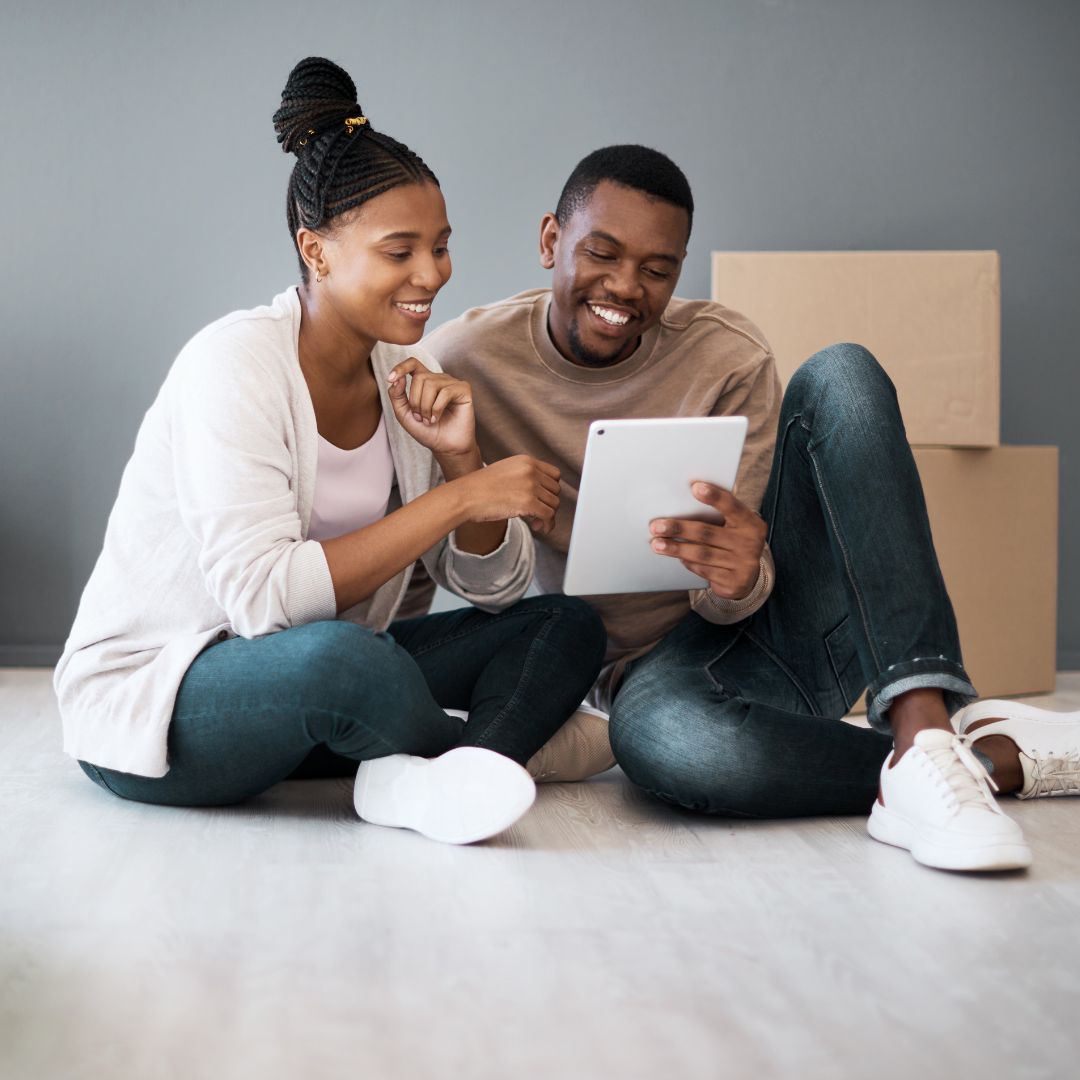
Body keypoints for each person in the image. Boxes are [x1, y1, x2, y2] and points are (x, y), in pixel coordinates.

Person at [418, 143, 1080, 870]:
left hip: (762, 646)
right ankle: (975, 764)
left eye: (657, 269)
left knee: (842, 374)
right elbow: (482, 590)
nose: (625, 286)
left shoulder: (725, 356)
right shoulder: (465, 362)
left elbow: (748, 586)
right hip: (632, 684)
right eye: (601, 253)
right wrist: (475, 487)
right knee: (669, 745)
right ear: (551, 240)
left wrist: (738, 579)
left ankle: (923, 723)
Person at [53, 57, 606, 846]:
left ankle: (436, 770)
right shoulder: (234, 363)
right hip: (168, 703)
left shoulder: (407, 376)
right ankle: (498, 752)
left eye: (441, 247)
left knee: (563, 627)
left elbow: (494, 590)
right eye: (400, 251)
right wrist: (463, 498)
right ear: (316, 252)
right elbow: (265, 602)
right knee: (343, 664)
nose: (431, 275)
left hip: (322, 679)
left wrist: (458, 459)